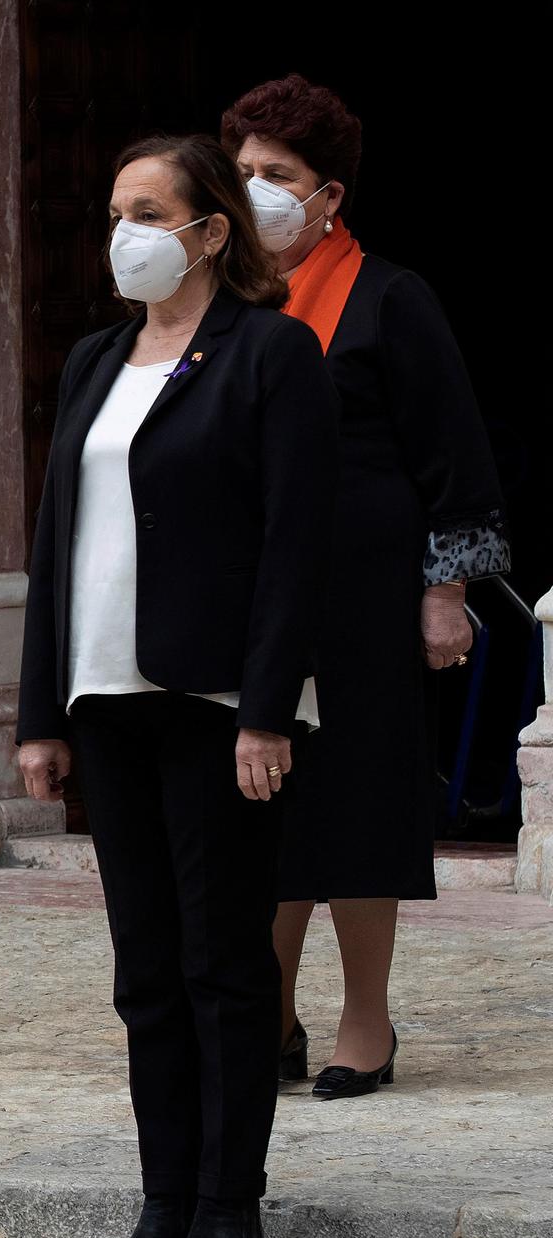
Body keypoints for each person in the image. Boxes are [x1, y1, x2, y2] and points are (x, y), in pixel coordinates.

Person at [16, 135, 336, 1238]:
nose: (121, 233)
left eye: (146, 210)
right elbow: (55, 541)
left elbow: (293, 548)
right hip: (106, 698)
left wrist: (264, 711)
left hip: (214, 708)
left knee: (221, 964)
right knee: (143, 967)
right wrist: (37, 709)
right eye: (113, 211)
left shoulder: (270, 353)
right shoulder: (99, 357)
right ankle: (158, 1200)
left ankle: (223, 1208)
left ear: (210, 231)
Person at [222, 75, 511, 1100]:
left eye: (278, 175)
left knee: (353, 807)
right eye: (244, 171)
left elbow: (453, 456)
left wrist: (443, 592)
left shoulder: (389, 296)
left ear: (327, 193)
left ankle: (363, 1020)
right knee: (258, 812)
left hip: (363, 594)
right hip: (250, 599)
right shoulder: (218, 306)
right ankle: (268, 1015)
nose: (256, 190)